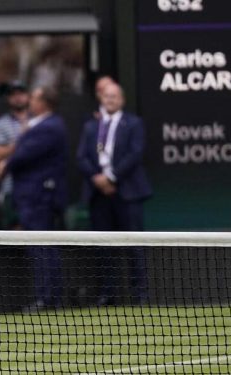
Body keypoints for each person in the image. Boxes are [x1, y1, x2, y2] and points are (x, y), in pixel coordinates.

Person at [76, 82, 152, 306]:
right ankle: (107, 294)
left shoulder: (134, 124)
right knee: (103, 246)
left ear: (122, 100)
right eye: (107, 96)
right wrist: (98, 179)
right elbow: (82, 158)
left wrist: (112, 177)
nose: (110, 100)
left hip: (126, 192)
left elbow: (135, 153)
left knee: (134, 245)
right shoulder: (91, 127)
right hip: (98, 194)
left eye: (114, 96)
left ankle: (140, 295)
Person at [0, 86, 68, 311]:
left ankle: (48, 299)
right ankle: (46, 297)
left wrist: (6, 164)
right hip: (30, 196)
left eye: (35, 98)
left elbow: (23, 155)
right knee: (38, 245)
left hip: (39, 196)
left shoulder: (49, 126)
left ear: (44, 103)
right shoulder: (37, 125)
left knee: (42, 246)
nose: (30, 101)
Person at [0, 80, 29, 230]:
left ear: (28, 96)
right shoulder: (0, 124)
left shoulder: (39, 120)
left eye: (21, 93)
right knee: (15, 232)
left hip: (37, 187)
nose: (18, 97)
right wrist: (23, 139)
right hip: (10, 187)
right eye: (13, 94)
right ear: (8, 98)